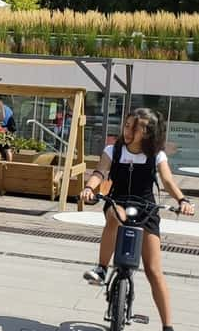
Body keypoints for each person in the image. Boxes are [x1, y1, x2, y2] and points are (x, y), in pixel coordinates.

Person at [80, 109, 194, 331]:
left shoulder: (156, 155)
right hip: (118, 201)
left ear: (148, 132)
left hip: (146, 209)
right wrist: (88, 188)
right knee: (115, 215)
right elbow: (100, 172)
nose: (128, 130)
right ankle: (102, 268)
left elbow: (168, 181)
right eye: (127, 124)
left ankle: (168, 326)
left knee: (154, 271)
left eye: (135, 126)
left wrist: (182, 200)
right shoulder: (113, 150)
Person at [0, 97, 16, 161]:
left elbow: (2, 118)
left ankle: (8, 164)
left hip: (6, 129)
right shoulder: (7, 107)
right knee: (5, 148)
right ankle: (8, 164)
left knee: (6, 148)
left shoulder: (1, 107)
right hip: (9, 128)